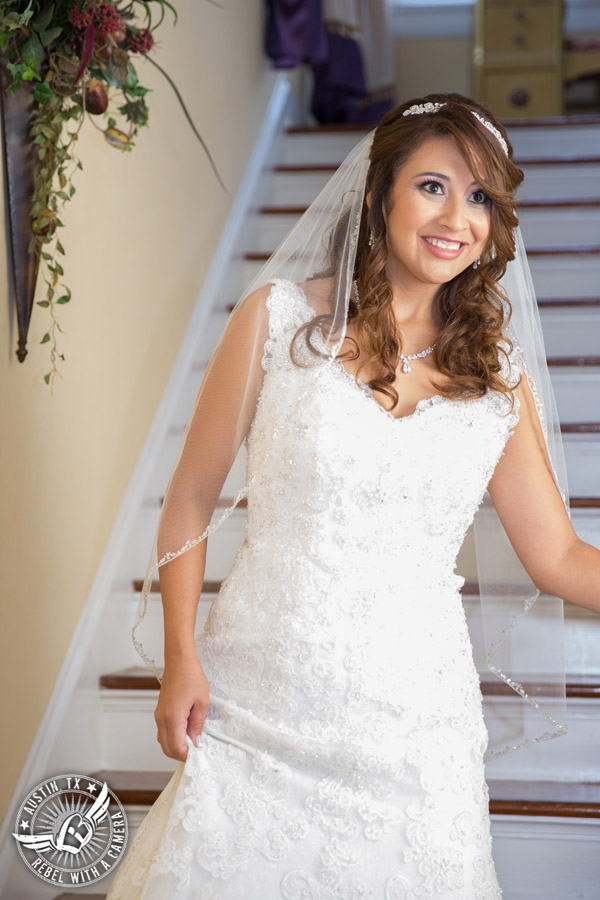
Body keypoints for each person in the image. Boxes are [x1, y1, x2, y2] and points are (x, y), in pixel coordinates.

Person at [108, 93, 600, 899]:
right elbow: (191, 500)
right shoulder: (276, 322)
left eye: (480, 197)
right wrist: (180, 657)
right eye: (434, 186)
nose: (458, 217)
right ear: (381, 196)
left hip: (417, 729)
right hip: (256, 708)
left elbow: (558, 556)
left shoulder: (497, 381)